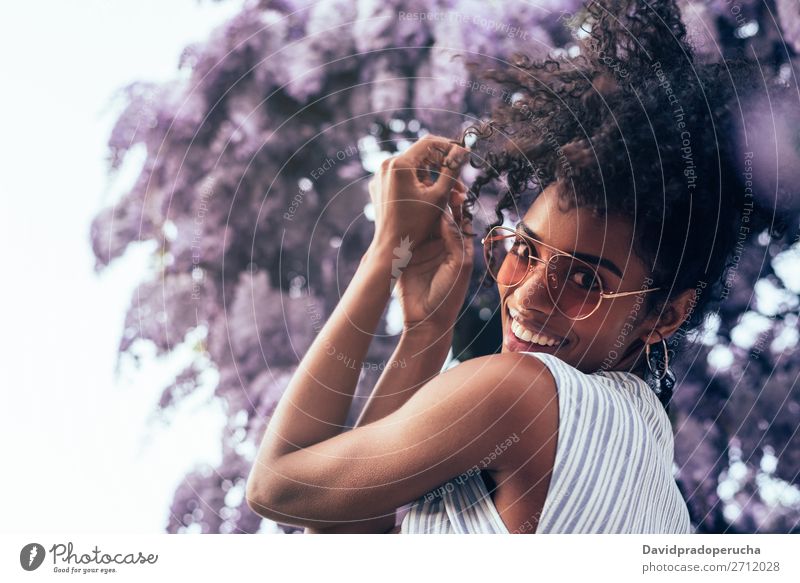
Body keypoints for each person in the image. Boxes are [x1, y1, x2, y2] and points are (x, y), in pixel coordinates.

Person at [245, 0, 773, 533]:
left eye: (586, 279)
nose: (527, 297)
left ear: (665, 314)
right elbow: (348, 538)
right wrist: (426, 329)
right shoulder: (651, 476)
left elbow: (277, 486)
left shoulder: (520, 395)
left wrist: (386, 254)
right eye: (526, 250)